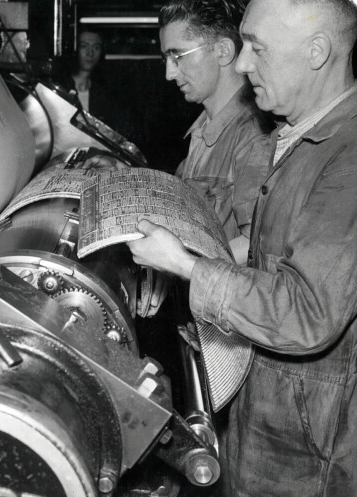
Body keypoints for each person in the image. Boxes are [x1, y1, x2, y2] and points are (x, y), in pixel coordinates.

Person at [126, 0, 357, 495]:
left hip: (308, 454)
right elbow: (267, 260)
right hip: (264, 426)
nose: (244, 64)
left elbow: (307, 313)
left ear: (317, 51)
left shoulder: (346, 159)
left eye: (256, 48)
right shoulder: (296, 141)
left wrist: (185, 265)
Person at [159, 0, 272, 264]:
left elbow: (254, 247)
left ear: (222, 51)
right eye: (166, 57)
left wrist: (178, 264)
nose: (169, 73)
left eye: (178, 56)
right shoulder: (203, 129)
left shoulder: (253, 137)